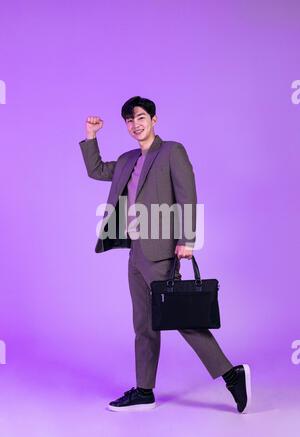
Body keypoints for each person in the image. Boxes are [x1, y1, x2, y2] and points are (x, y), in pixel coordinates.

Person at [79, 96, 251, 413]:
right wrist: (91, 136)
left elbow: (187, 196)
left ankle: (231, 374)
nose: (136, 124)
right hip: (135, 253)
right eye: (129, 120)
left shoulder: (172, 151)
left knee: (181, 319)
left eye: (141, 117)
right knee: (143, 325)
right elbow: (98, 170)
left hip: (162, 252)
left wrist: (188, 239)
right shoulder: (128, 159)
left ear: (154, 119)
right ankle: (144, 391)